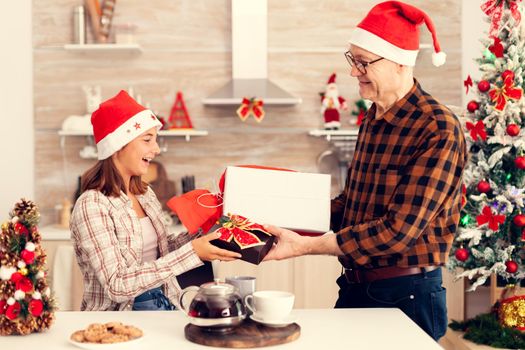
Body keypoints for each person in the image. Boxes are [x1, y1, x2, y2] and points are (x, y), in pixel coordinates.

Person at [264, 1, 467, 341]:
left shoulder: (437, 128)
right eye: (352, 60)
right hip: (357, 286)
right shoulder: (372, 118)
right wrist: (281, 213)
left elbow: (398, 230)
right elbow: (353, 206)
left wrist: (307, 246)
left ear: (400, 62)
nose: (353, 72)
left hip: (407, 295)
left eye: (363, 62)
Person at [70, 90, 240, 311]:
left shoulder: (144, 194)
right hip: (115, 324)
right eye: (147, 139)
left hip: (162, 308)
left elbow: (161, 250)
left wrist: (206, 233)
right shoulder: (92, 205)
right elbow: (117, 284)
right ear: (118, 146)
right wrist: (193, 252)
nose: (156, 149)